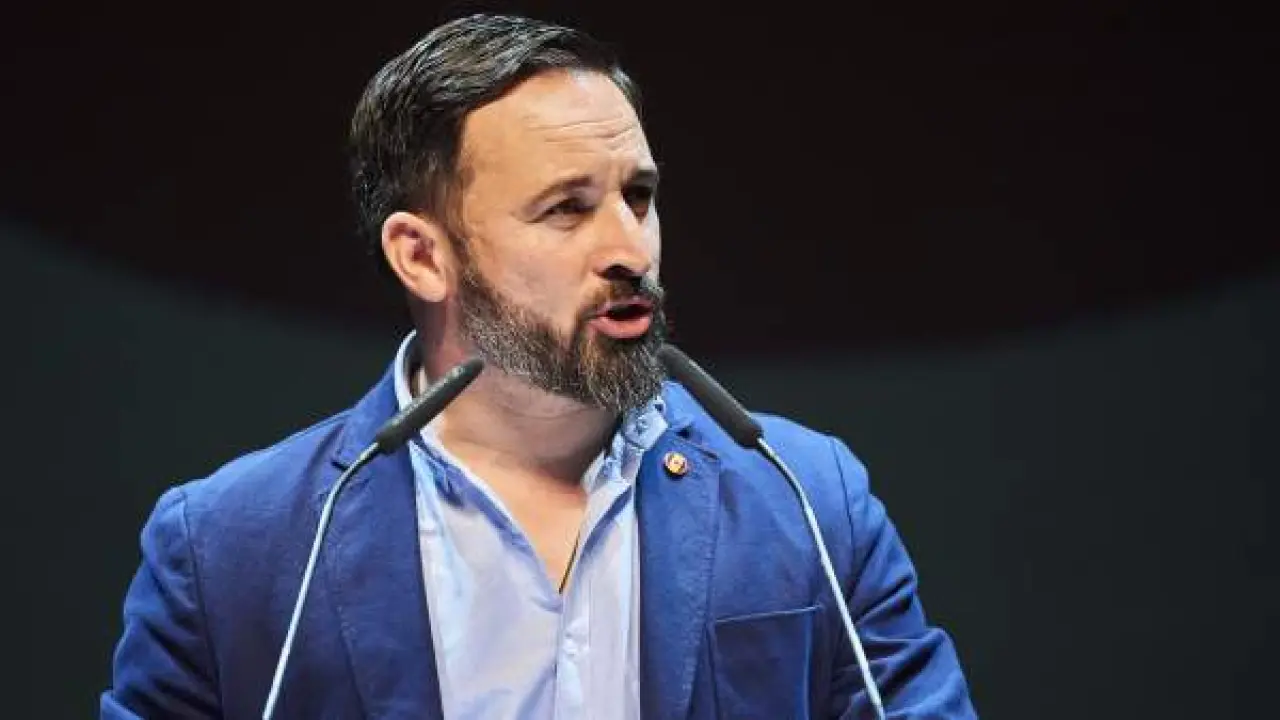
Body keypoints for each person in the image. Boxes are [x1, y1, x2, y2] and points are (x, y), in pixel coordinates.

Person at [101, 12, 976, 719]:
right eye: (566, 209)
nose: (630, 248)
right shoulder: (232, 550)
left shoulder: (804, 498)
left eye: (638, 196)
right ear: (422, 257)